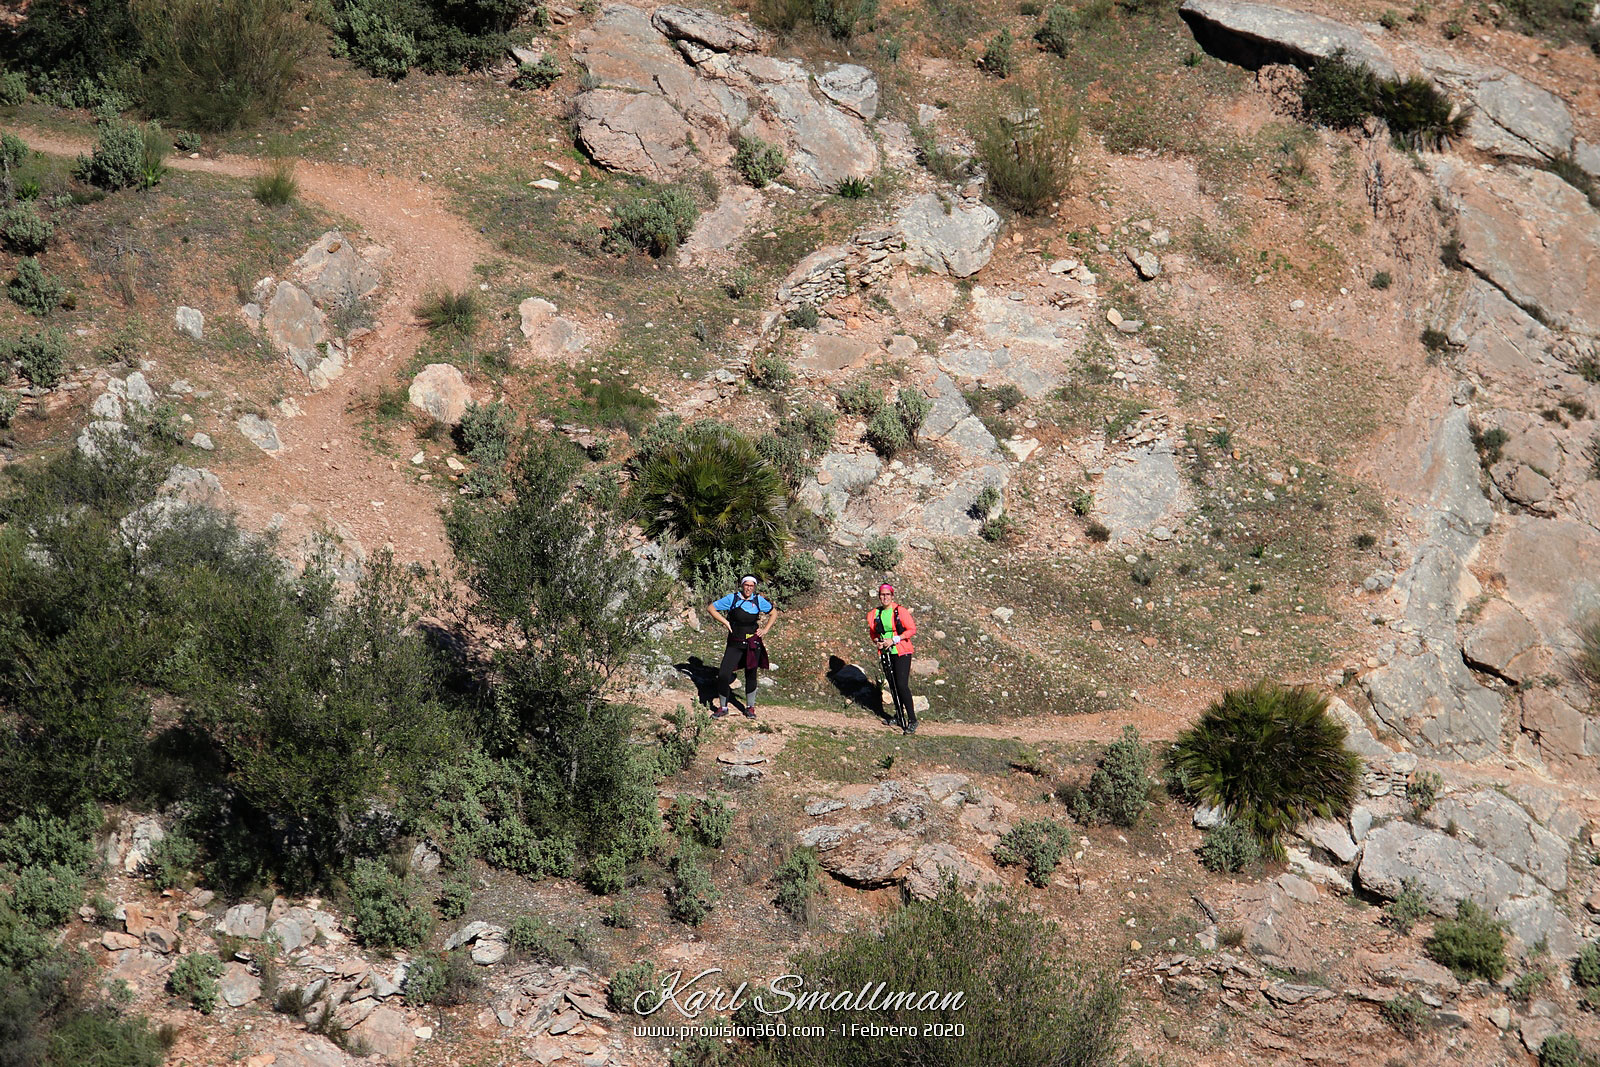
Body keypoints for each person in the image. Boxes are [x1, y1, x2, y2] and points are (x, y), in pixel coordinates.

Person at [707, 576, 775, 718]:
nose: (748, 588)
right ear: (742, 585)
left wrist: (765, 630)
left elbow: (773, 613)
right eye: (746, 585)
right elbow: (711, 608)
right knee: (724, 674)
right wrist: (726, 623)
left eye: (751, 586)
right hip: (735, 642)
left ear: (754, 587)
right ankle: (723, 707)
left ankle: (750, 708)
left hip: (752, 643)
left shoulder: (758, 600)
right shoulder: (732, 599)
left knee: (751, 674)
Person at [867, 583, 917, 734]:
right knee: (893, 685)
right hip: (886, 652)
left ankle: (912, 719)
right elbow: (873, 633)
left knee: (902, 685)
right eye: (882, 594)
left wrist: (894, 640)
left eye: (887, 594)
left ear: (892, 596)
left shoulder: (900, 611)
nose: (885, 597)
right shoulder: (874, 613)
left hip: (902, 651)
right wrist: (877, 641)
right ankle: (898, 715)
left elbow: (911, 629)